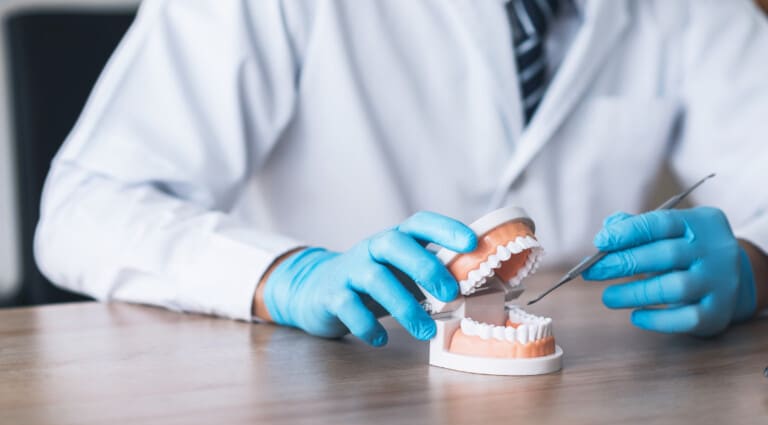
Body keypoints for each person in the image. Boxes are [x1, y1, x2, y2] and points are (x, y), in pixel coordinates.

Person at [35, 0, 768, 346]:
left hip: (581, 390)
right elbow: (86, 206)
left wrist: (753, 266)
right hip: (332, 388)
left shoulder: (698, 11)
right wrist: (284, 273)